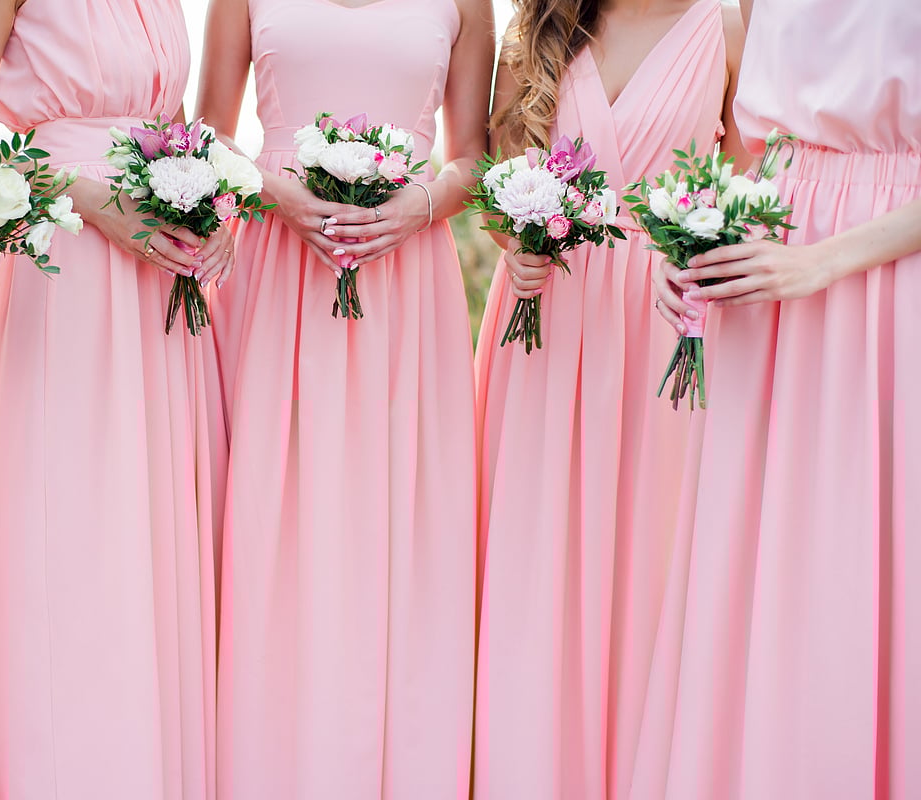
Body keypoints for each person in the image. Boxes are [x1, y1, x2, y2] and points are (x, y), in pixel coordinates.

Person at [0, 1, 232, 796]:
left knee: (156, 530)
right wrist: (92, 201)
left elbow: (175, 125)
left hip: (161, 271)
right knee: (75, 524)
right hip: (65, 258)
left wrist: (207, 202)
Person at [196, 0, 493, 797]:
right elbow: (209, 137)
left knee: (396, 520)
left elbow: (474, 160)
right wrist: (278, 193)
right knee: (273, 516)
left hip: (406, 278)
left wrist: (420, 205)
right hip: (279, 267)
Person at [639, 0, 921, 797]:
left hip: (883, 286)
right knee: (754, 567)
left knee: (869, 547)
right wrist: (699, 240)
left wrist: (822, 264)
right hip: (763, 291)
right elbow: (752, 153)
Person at [473, 0, 744, 797]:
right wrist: (510, 243)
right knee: (535, 555)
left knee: (653, 558)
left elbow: (761, 180)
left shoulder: (725, 28)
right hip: (545, 320)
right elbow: (498, 179)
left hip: (667, 326)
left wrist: (707, 252)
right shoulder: (539, 30)